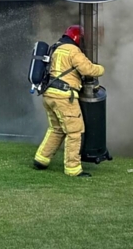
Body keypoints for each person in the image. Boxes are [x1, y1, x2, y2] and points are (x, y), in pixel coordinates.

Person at [33, 24, 105, 177]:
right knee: (74, 131)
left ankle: (41, 159)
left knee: (56, 129)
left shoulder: (56, 48)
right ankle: (73, 169)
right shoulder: (73, 51)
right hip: (64, 96)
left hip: (49, 95)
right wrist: (101, 69)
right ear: (78, 38)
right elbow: (88, 70)